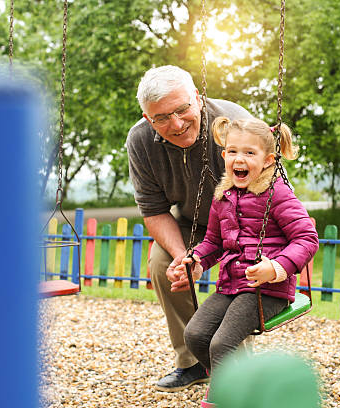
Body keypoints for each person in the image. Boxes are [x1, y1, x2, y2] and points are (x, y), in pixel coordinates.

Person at [174, 116, 319, 406]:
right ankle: (242, 385)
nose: (240, 159)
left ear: (267, 160)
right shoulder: (222, 197)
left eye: (249, 153)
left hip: (267, 290)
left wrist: (276, 268)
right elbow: (215, 242)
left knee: (222, 343)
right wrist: (197, 259)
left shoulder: (278, 194)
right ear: (225, 155)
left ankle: (222, 398)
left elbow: (307, 239)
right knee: (196, 335)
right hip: (231, 284)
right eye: (234, 151)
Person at [126, 65, 252, 392]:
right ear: (147, 116)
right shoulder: (140, 141)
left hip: (245, 219)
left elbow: (268, 195)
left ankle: (240, 370)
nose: (177, 124)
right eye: (162, 118)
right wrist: (186, 258)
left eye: (182, 110)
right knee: (163, 264)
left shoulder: (235, 125)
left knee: (238, 270)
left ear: (197, 98)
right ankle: (193, 362)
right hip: (191, 222)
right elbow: (153, 210)